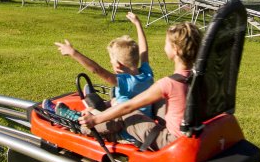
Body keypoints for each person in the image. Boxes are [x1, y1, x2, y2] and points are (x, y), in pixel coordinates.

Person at [78, 20, 202, 151]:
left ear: (175, 50)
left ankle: (87, 125)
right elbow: (144, 53)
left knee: (126, 112)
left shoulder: (168, 83)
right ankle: (103, 107)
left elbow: (128, 106)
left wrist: (96, 119)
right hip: (189, 134)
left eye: (166, 43)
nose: (164, 46)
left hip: (172, 142)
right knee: (156, 101)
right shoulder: (196, 78)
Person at [54, 11, 154, 112]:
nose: (110, 62)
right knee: (115, 100)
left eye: (111, 60)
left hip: (127, 122)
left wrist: (73, 52)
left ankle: (69, 114)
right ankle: (102, 104)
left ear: (118, 65)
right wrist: (138, 24)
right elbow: (144, 51)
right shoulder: (146, 73)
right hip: (144, 117)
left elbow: (97, 70)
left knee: (89, 112)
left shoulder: (124, 82)